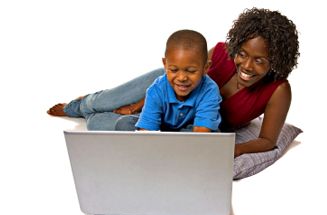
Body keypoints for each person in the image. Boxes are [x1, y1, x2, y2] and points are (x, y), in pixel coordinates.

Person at [48, 8, 299, 156]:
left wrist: (229, 151)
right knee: (111, 100)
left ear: (275, 60)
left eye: (259, 61)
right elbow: (178, 81)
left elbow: (267, 141)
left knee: (109, 125)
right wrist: (137, 105)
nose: (246, 66)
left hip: (190, 124)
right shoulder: (221, 53)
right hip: (169, 100)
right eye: (242, 54)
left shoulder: (278, 90)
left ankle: (93, 118)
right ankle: (82, 105)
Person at [49, 30, 222, 132]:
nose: (182, 77)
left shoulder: (209, 90)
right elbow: (146, 136)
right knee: (108, 103)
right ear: (165, 65)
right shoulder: (158, 88)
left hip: (170, 126)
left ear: (206, 68)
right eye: (174, 69)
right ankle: (80, 105)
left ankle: (88, 114)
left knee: (95, 123)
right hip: (158, 115)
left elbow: (201, 137)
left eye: (191, 71)